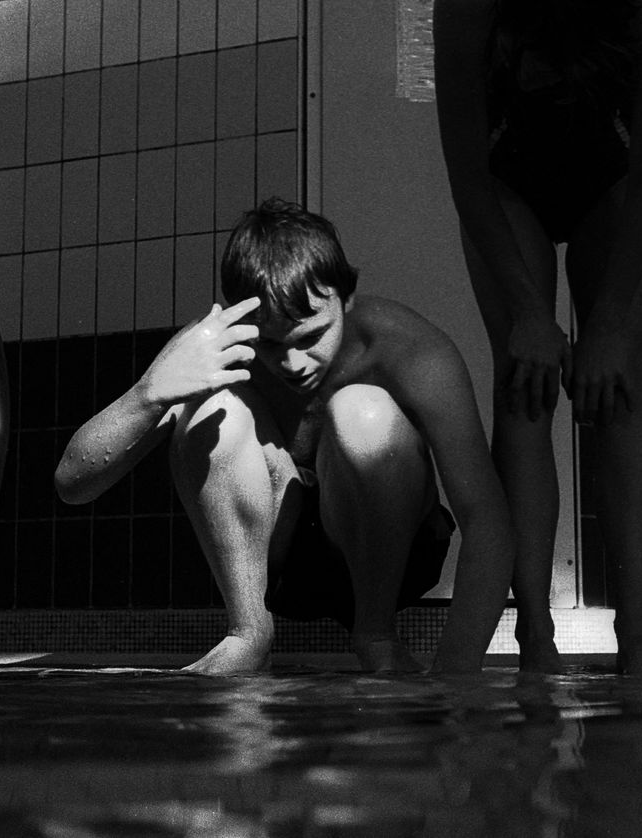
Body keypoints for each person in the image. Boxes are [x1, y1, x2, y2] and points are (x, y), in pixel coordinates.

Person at [55, 198, 515, 674]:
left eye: (311, 337)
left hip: (399, 560)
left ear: (346, 298)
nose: (293, 363)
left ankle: (376, 633)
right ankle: (247, 634)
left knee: (362, 411)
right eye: (270, 343)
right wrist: (150, 393)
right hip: (281, 567)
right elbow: (72, 484)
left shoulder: (408, 349)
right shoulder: (217, 346)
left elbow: (487, 518)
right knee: (214, 406)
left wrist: (455, 673)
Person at [433, 0, 642, 674]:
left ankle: (635, 632)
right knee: (526, 380)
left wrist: (608, 325)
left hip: (612, 176)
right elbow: (467, 178)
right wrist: (527, 315)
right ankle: (536, 634)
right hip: (505, 176)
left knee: (620, 382)